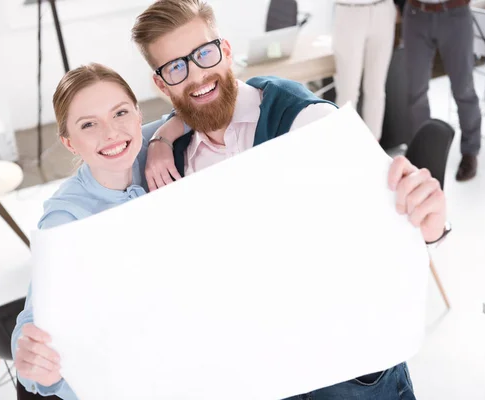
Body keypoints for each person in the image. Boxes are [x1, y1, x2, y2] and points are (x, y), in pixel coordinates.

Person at [133, 0, 450, 398]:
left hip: (345, 372)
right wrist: (162, 137)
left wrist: (429, 226)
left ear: (226, 51)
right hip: (255, 375)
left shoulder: (305, 121)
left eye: (204, 54)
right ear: (162, 85)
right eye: (176, 67)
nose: (196, 76)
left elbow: (394, 224)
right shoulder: (171, 163)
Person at [11, 63, 184, 399]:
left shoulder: (145, 143)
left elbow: (196, 110)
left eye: (120, 113)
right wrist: (33, 362)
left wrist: (163, 138)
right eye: (88, 124)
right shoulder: (64, 219)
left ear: (137, 114)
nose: (111, 133)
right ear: (70, 142)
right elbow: (34, 318)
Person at [402, 0, 482, 181]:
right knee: (415, 91)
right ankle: (422, 155)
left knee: (463, 89)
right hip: (416, 15)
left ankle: (470, 151)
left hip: (454, 13)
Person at [332, 0, 398, 141]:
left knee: (376, 89)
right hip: (349, 10)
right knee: (347, 91)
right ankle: (344, 147)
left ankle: (373, 149)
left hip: (383, 9)